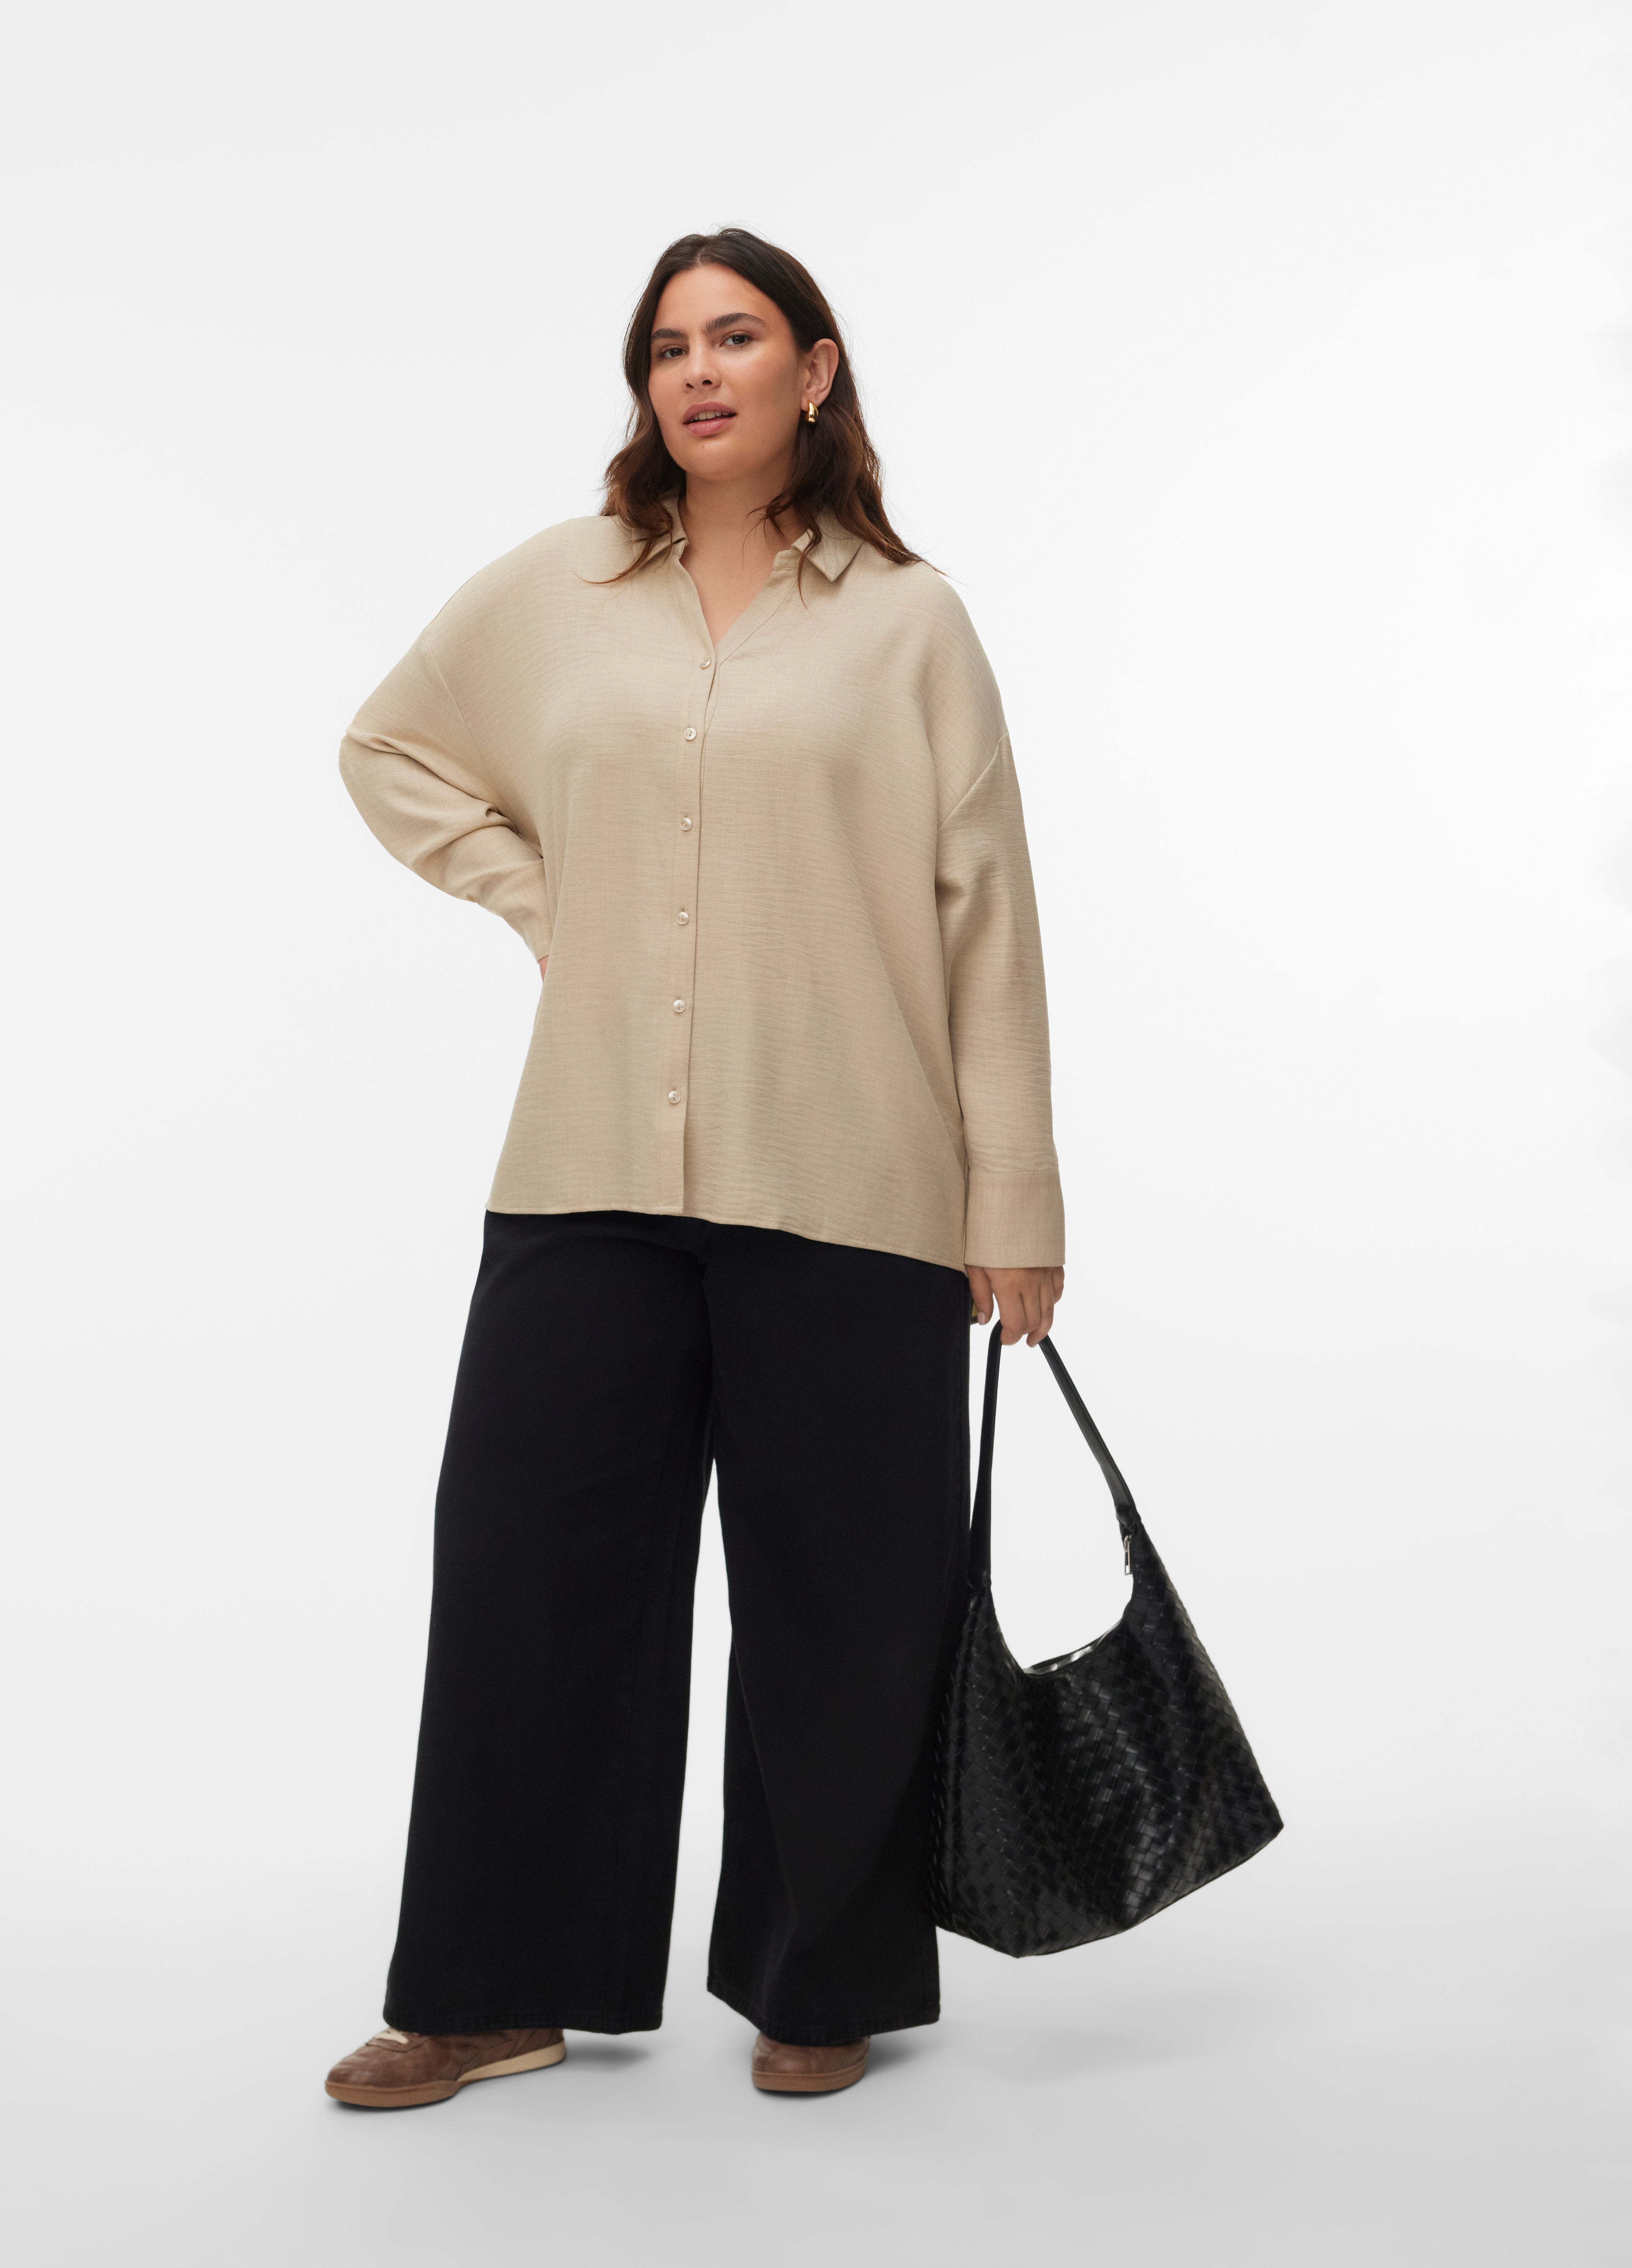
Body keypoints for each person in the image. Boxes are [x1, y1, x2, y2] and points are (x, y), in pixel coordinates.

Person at [324, 228, 1064, 2108]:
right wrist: (539, 896)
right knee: (528, 1576)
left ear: (816, 370)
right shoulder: (559, 588)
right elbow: (392, 746)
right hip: (589, 1172)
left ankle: (822, 1980)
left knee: (845, 1603)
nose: (698, 372)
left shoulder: (908, 622)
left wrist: (1016, 1204)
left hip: (854, 1176)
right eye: (668, 347)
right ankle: (491, 1986)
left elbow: (986, 920)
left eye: (737, 338)